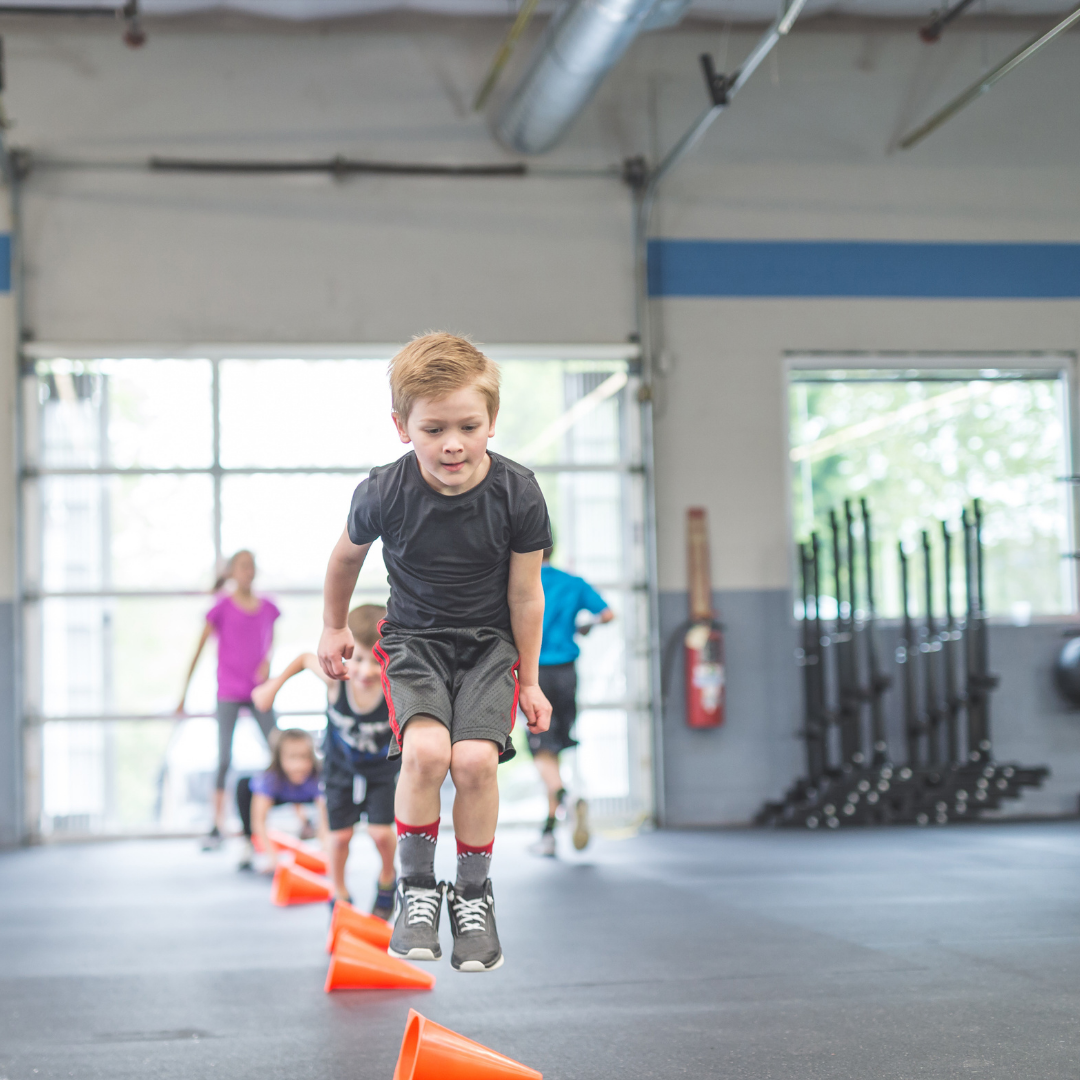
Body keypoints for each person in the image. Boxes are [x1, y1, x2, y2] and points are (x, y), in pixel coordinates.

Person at [317, 332, 552, 973]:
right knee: (424, 752)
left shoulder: (519, 494)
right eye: (434, 428)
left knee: (475, 761)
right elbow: (344, 557)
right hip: (414, 641)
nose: (453, 443)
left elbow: (526, 595)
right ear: (402, 428)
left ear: (492, 422)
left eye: (469, 426)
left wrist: (528, 681)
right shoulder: (385, 492)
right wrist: (334, 627)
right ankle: (417, 890)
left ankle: (473, 895)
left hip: (488, 646)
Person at [251, 604, 400, 919]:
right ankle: (340, 892)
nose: (366, 671)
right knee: (339, 836)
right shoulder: (338, 680)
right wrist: (272, 687)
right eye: (358, 659)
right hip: (339, 765)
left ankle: (387, 879)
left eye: (378, 662)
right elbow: (306, 659)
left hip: (381, 768)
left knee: (381, 834)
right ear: (347, 656)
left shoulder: (395, 687)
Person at [178, 549, 281, 851]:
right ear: (232, 572)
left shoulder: (268, 607)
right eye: (242, 567)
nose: (248, 572)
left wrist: (267, 664)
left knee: (279, 746)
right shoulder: (221, 607)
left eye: (252, 567)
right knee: (225, 758)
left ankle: (302, 815)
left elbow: (270, 641)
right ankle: (217, 824)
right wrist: (183, 695)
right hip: (229, 690)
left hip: (258, 689)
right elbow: (198, 650)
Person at [529, 544, 615, 857]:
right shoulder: (573, 582)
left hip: (533, 674)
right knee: (554, 752)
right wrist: (583, 627)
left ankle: (563, 800)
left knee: (543, 751)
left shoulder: (522, 580)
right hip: (567, 674)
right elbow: (607, 614)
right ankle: (549, 833)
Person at [235, 728, 328, 871]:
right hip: (279, 794)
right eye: (292, 757)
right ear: (280, 758)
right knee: (243, 785)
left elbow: (326, 819)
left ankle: (306, 825)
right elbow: (258, 821)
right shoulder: (270, 779)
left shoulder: (318, 776)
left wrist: (326, 854)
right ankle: (249, 842)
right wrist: (273, 859)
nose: (299, 765)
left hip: (303, 794)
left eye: (304, 757)